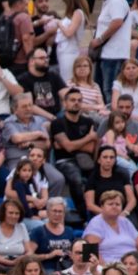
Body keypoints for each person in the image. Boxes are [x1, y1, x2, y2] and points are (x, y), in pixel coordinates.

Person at [49, 88, 97, 218]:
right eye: (72, 100)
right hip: (65, 161)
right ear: (65, 103)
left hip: (86, 160)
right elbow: (69, 147)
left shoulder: (88, 122)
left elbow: (91, 148)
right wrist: (87, 138)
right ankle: (84, 217)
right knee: (76, 180)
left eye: (79, 100)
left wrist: (69, 144)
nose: (76, 103)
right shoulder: (57, 123)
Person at [92, 0, 132, 103]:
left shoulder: (116, 1)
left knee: (109, 91)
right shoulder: (108, 2)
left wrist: (100, 39)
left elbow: (117, 22)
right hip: (106, 54)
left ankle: (113, 117)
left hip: (114, 55)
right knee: (100, 90)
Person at [85, 145, 137, 221]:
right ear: (99, 160)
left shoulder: (122, 175)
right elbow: (90, 205)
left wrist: (124, 213)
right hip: (101, 214)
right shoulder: (92, 178)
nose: (108, 160)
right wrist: (108, 214)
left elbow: (132, 200)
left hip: (123, 213)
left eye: (111, 157)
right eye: (105, 157)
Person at [30, 198, 79, 273]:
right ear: (48, 212)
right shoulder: (39, 231)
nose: (57, 214)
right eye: (54, 211)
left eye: (60, 212)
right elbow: (29, 256)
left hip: (66, 267)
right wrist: (49, 255)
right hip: (46, 269)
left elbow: (76, 251)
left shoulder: (69, 231)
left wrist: (71, 255)